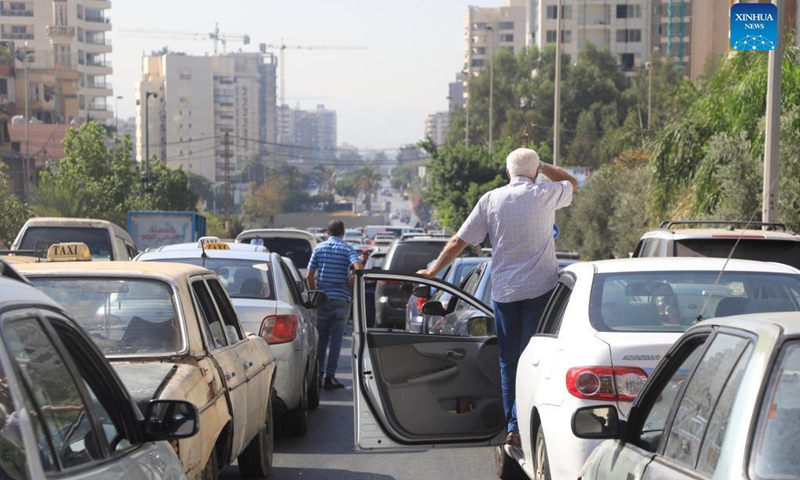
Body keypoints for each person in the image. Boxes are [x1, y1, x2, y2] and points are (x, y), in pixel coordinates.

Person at [417, 148, 578, 447]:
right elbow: (572, 182)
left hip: (504, 293)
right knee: (535, 360)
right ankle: (523, 421)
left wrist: (433, 270)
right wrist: (542, 167)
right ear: (534, 172)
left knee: (510, 362)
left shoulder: (491, 200)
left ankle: (513, 426)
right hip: (541, 292)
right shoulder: (545, 194)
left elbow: (458, 241)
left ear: (507, 173)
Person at [307, 219, 364, 390]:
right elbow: (359, 267)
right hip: (342, 300)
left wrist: (314, 295)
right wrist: (351, 279)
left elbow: (309, 276)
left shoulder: (319, 248)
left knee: (322, 339)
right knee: (336, 340)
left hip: (323, 298)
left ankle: (318, 376)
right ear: (343, 233)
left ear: (328, 233)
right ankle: (330, 378)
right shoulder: (347, 249)